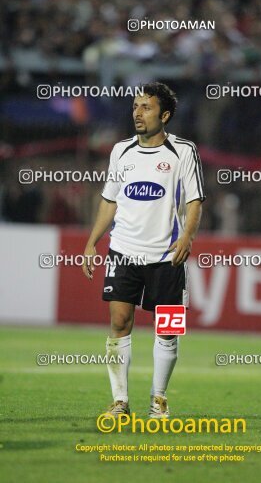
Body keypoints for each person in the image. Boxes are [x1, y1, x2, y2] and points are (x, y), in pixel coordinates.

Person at [82, 82, 205, 418]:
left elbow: (195, 201)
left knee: (167, 330)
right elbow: (109, 201)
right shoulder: (120, 151)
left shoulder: (183, 151)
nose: (138, 112)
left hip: (167, 257)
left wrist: (188, 238)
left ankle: (159, 398)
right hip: (123, 251)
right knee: (119, 322)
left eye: (146, 107)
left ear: (164, 115)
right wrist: (93, 242)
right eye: (135, 106)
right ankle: (120, 401)